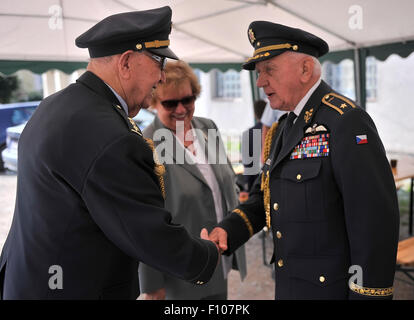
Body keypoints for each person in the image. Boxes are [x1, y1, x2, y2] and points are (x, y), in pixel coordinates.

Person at [0, 7, 220, 300]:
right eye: (159, 63)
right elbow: (146, 232)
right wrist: (206, 256)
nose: (161, 78)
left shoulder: (54, 105)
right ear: (127, 62)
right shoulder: (112, 136)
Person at [205, 21, 400, 300]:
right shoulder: (285, 126)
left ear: (305, 70)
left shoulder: (345, 121)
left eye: (268, 70)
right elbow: (266, 197)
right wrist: (228, 230)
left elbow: (373, 222)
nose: (260, 82)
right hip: (291, 285)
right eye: (258, 73)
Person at [139, 60, 246, 300]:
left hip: (220, 262)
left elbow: (226, 180)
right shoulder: (146, 145)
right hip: (179, 273)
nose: (180, 109)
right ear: (154, 104)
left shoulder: (208, 128)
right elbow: (144, 223)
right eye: (170, 103)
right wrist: (151, 285)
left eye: (187, 100)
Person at [240, 99, 266, 198]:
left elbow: (248, 164)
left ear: (255, 114)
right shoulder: (277, 130)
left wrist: (247, 187)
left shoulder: (249, 134)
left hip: (256, 183)